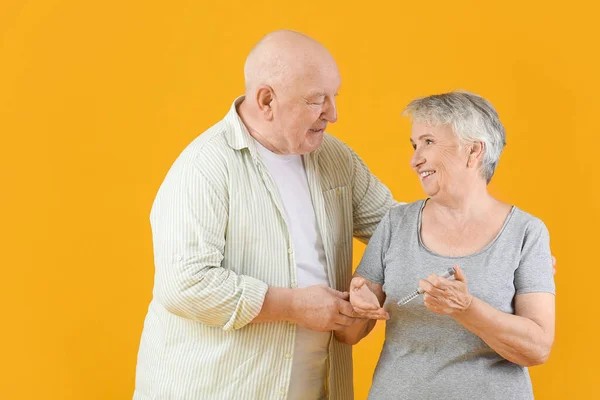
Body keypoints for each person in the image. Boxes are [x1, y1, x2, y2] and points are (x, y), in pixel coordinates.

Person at [133, 30, 396, 400]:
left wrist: (370, 286)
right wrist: (292, 306)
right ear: (267, 100)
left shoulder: (337, 159)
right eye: (317, 100)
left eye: (334, 97)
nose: (333, 114)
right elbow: (185, 284)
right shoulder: (204, 167)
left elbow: (397, 232)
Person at [335, 91, 556, 400]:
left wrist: (467, 309)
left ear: (473, 151)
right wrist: (357, 309)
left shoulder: (526, 233)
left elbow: (537, 348)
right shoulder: (395, 223)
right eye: (414, 145)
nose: (415, 159)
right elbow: (348, 334)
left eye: (428, 142)